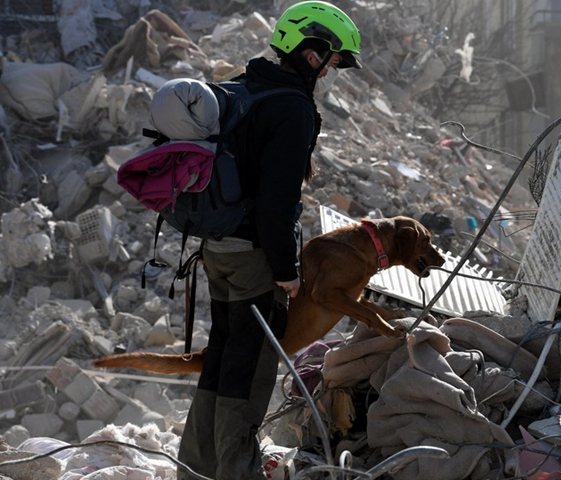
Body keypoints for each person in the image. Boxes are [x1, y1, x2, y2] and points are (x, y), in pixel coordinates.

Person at [176, 2, 362, 479]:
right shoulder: (292, 109)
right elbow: (278, 203)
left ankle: (194, 469)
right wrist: (287, 272)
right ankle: (236, 471)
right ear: (311, 52)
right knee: (251, 369)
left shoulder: (243, 87)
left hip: (217, 251)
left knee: (220, 359)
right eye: (334, 59)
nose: (333, 72)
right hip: (254, 258)